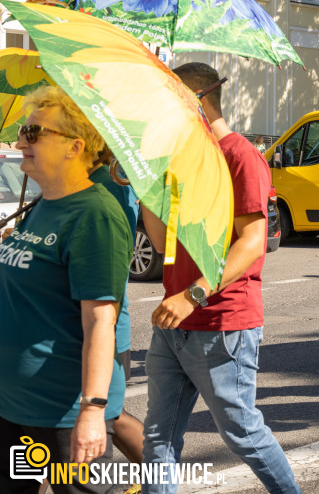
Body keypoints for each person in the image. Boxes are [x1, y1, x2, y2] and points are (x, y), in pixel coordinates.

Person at [140, 63, 300, 494]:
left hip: (222, 324)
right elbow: (159, 242)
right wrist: (146, 184)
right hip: (174, 325)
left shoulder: (240, 155)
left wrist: (193, 295)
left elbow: (252, 242)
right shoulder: (182, 161)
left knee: (242, 434)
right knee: (158, 436)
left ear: (198, 99)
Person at [0, 86, 132, 494]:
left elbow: (99, 323)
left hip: (63, 411)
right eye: (24, 131)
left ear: (75, 147)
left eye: (34, 133)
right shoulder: (44, 202)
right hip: (15, 406)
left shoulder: (95, 216)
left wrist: (92, 411)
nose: (21, 140)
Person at [90, 153, 145, 467]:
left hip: (102, 329)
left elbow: (108, 262)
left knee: (109, 415)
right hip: (69, 328)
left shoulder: (112, 182)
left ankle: (161, 479)